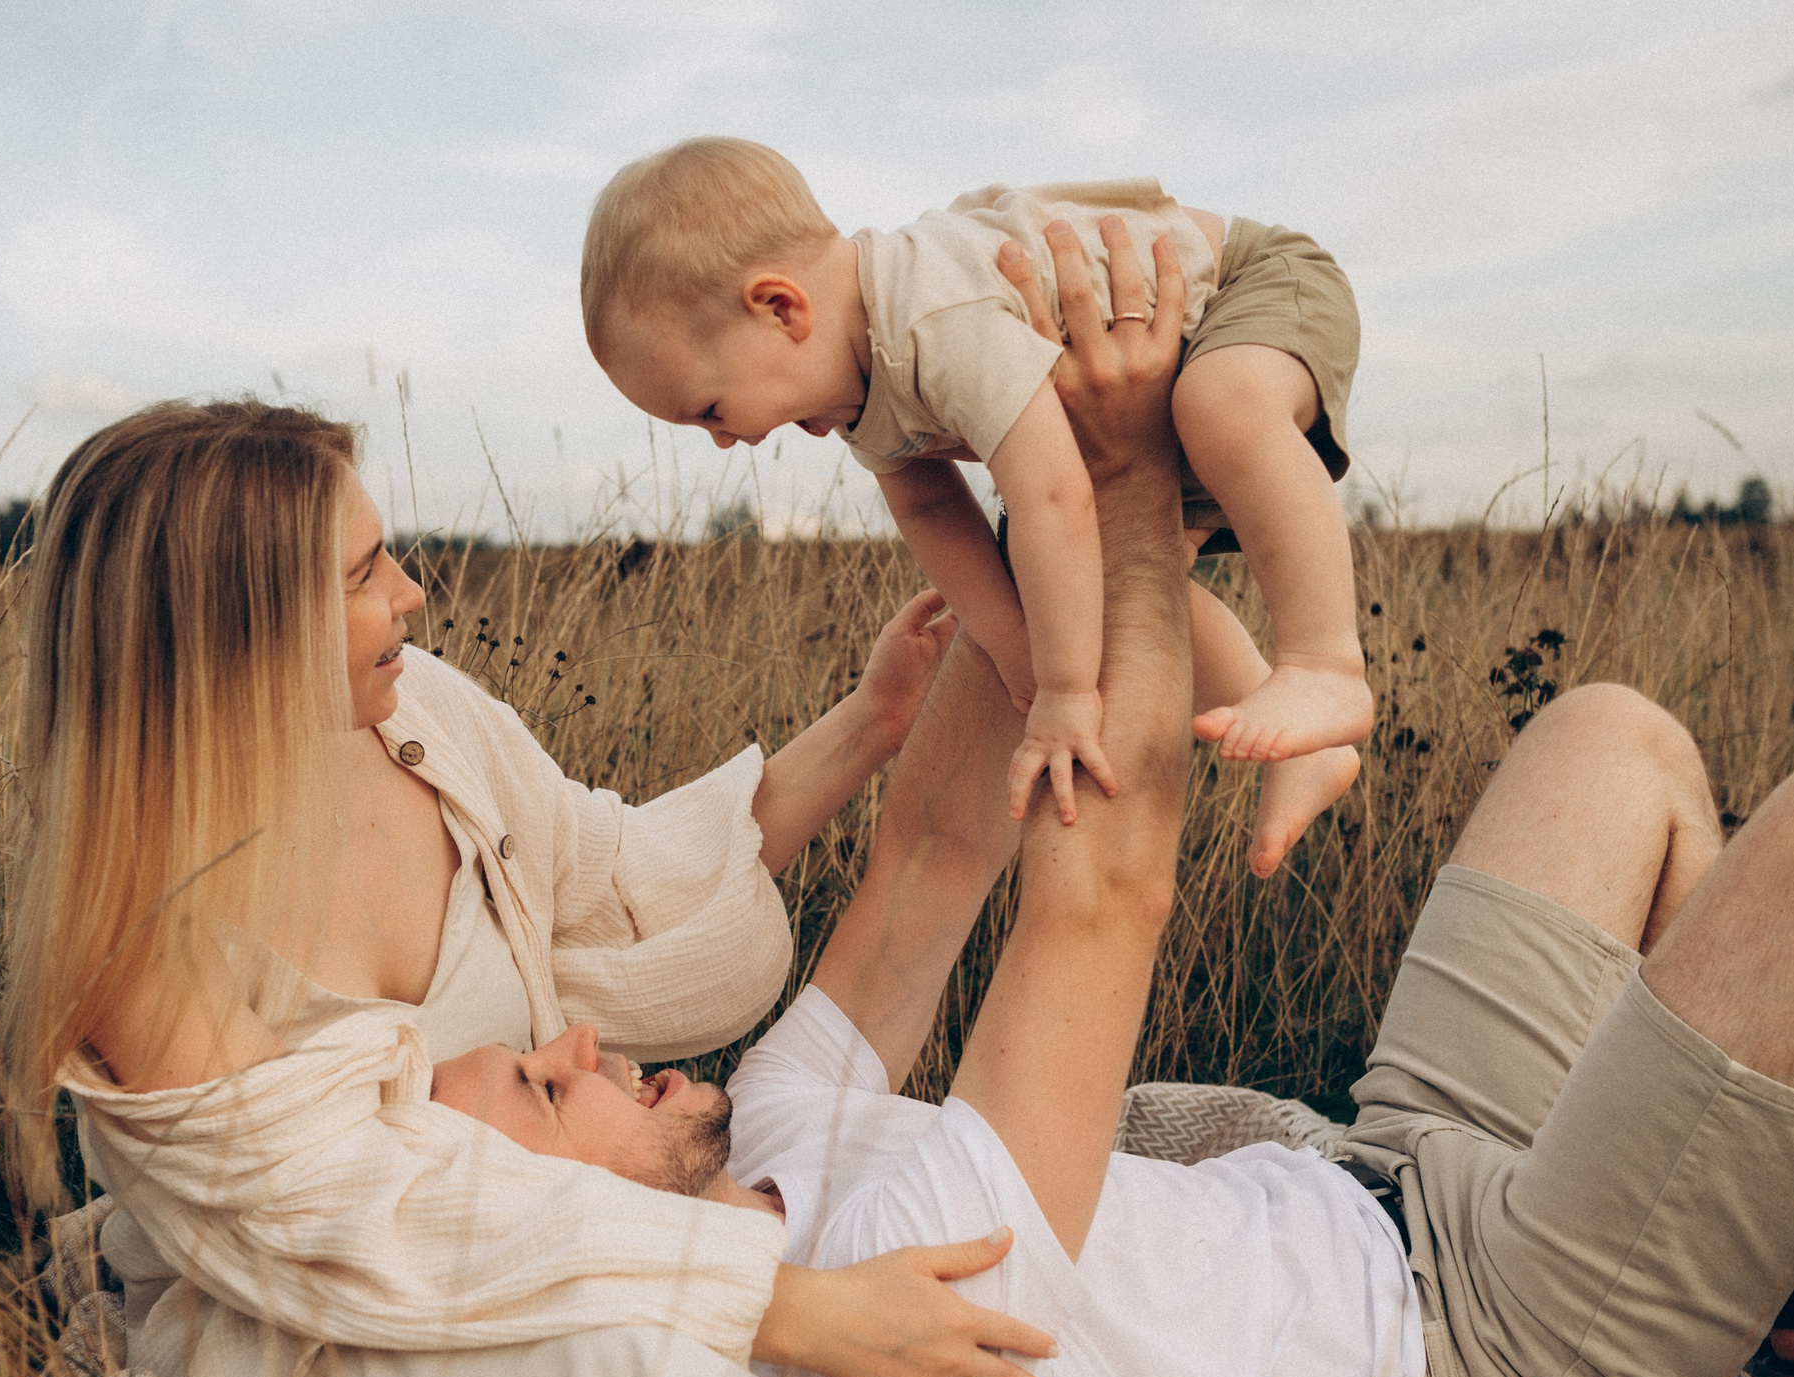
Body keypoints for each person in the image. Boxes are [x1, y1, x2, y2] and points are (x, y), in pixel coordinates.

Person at [470, 214, 1794, 1377]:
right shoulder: (868, 1333)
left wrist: (1017, 416)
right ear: (570, 1237)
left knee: (1614, 741)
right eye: (549, 1093)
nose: (580, 1037)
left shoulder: (764, 1123)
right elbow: (1102, 891)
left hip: (1395, 1175)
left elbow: (936, 855)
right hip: (1484, 1360)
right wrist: (1120, 469)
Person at [8, 392, 1161, 1377]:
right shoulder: (151, 932)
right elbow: (376, 1222)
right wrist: (792, 1303)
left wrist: (869, 721)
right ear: (235, 636)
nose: (415, 593)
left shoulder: (412, 717)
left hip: (557, 1211)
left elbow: (618, 873)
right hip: (308, 1321)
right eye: (362, 575)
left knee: (683, 1358)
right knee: (617, 1372)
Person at [580, 136, 1366, 875]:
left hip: (1245, 293)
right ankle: (1306, 750)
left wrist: (1064, 693)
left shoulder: (929, 316)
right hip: (1149, 393)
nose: (721, 441)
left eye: (710, 409)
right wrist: (1020, 649)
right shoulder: (859, 390)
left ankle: (1325, 663)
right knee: (1121, 584)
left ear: (782, 309)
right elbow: (930, 514)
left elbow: (1051, 495)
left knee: (1221, 404)